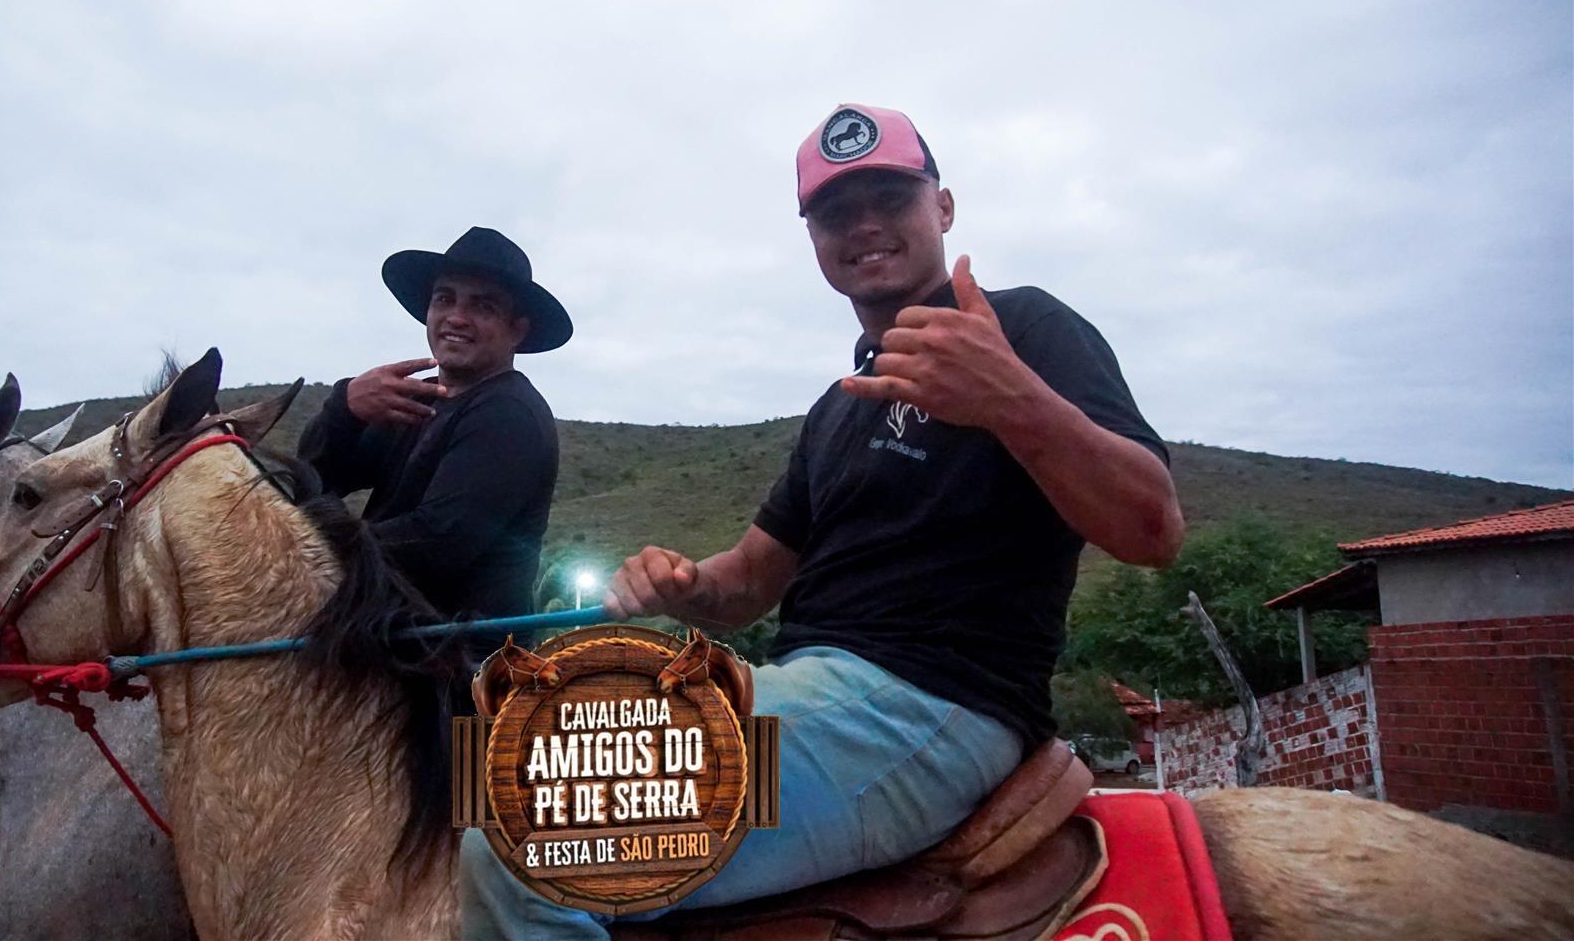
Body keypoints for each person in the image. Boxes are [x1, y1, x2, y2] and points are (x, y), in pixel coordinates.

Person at [460, 104, 1184, 939]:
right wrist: (678, 583)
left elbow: (1153, 530)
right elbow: (746, 585)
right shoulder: (838, 410)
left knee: (523, 829)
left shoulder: (1024, 329)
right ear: (814, 240)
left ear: (944, 208)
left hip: (934, 706)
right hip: (812, 690)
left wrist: (1010, 400)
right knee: (493, 764)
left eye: (892, 199)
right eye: (837, 213)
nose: (865, 225)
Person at [298, 226, 570, 637]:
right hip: (384, 641)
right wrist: (345, 407)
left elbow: (433, 544)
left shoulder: (510, 414)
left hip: (459, 662)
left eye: (483, 306)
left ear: (517, 330)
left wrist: (297, 551)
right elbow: (315, 480)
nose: (456, 317)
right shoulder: (417, 401)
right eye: (444, 298)